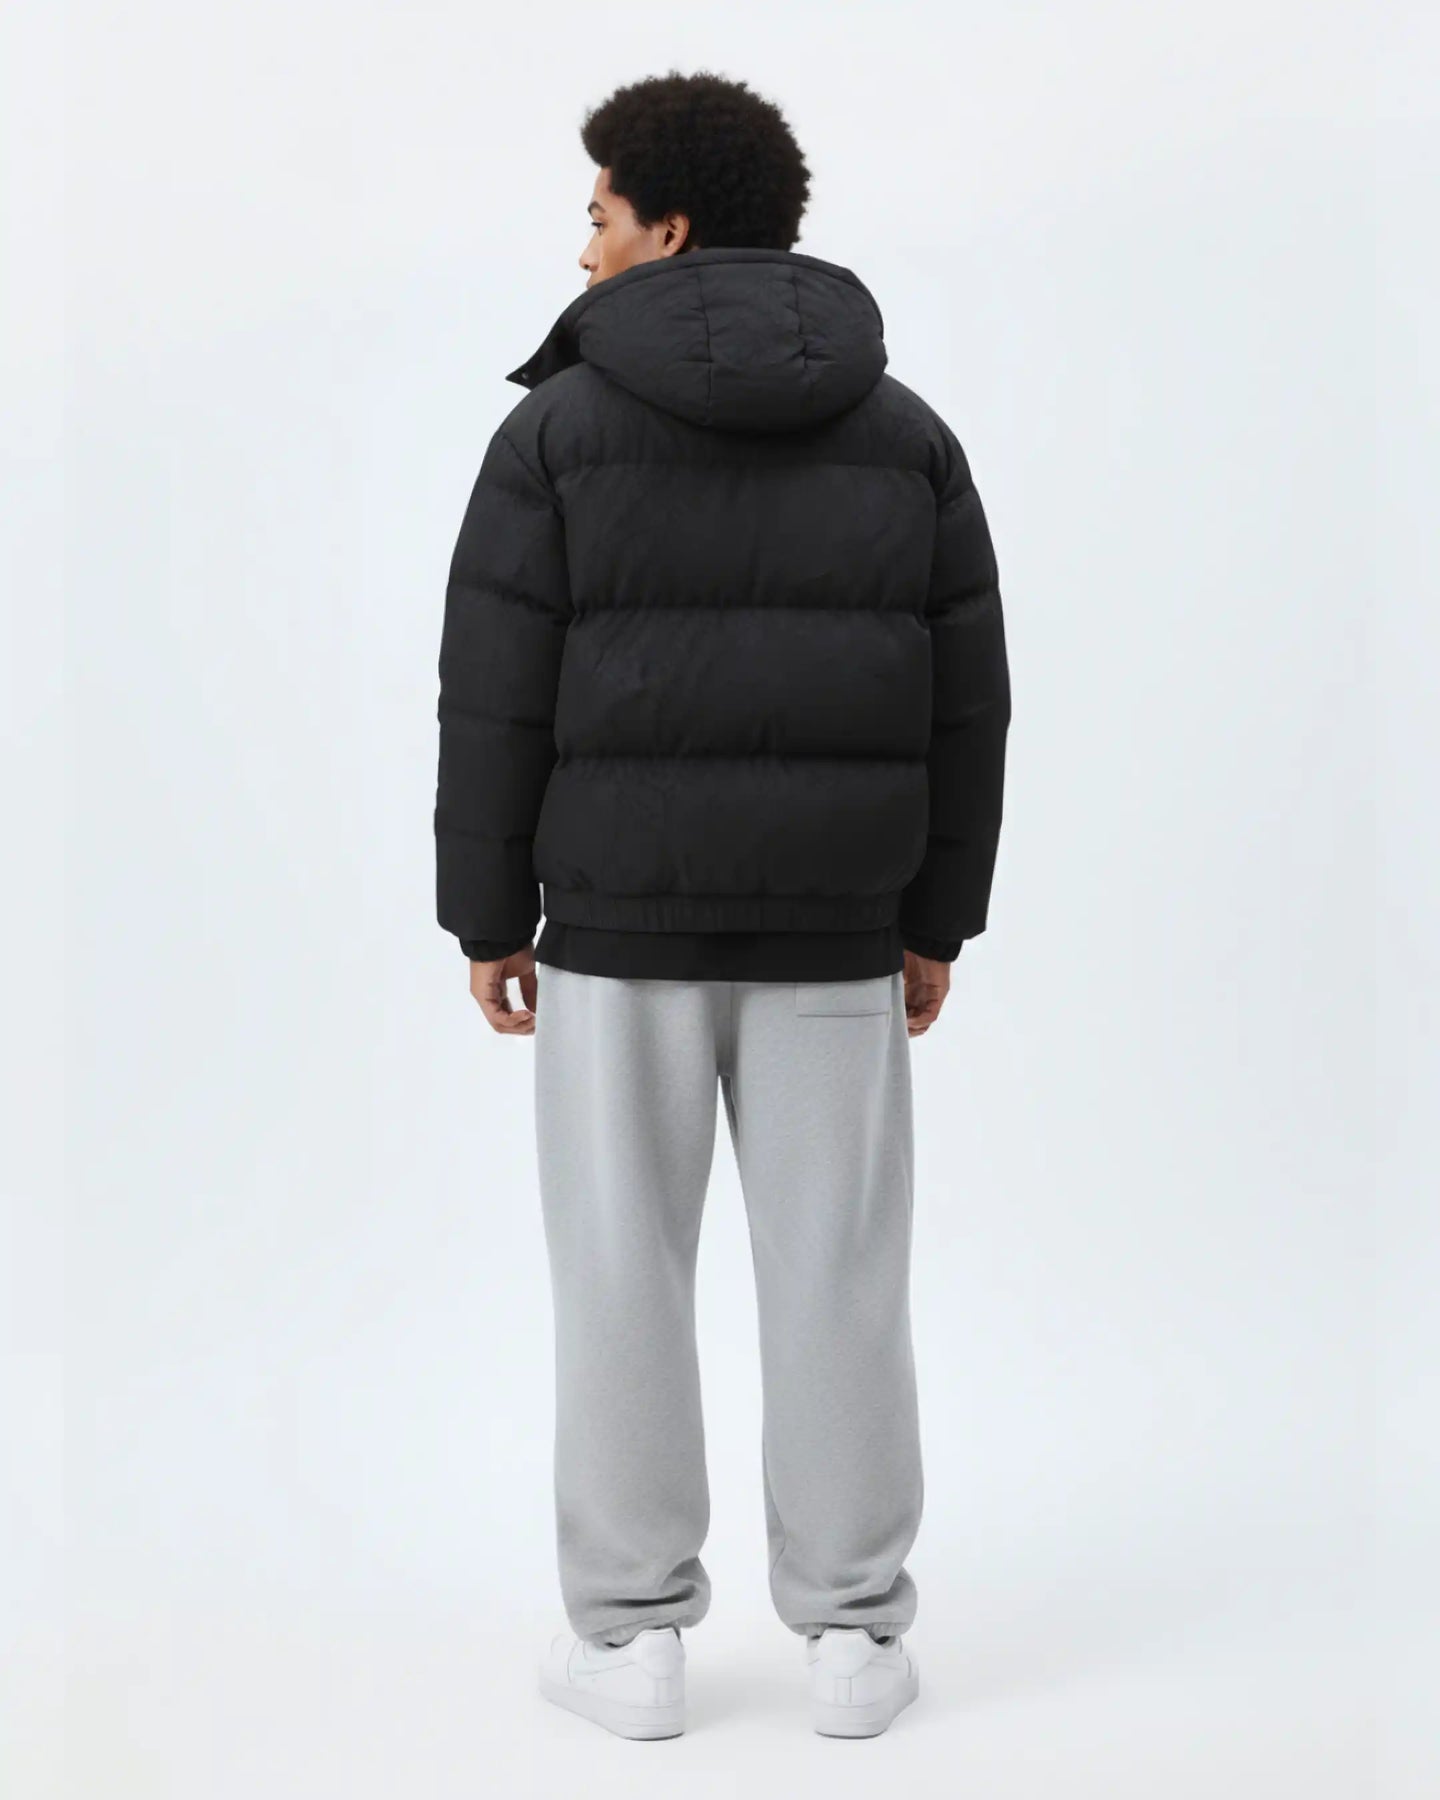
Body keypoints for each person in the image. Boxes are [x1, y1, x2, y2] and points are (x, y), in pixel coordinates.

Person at [434, 69, 1010, 1740]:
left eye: (601, 215)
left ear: (670, 227)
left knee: (620, 1272)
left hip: (621, 935)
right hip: (837, 935)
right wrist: (936, 921)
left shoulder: (554, 433)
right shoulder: (904, 433)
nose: (584, 248)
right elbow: (968, 703)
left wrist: (488, 918)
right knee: (841, 1276)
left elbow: (494, 696)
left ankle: (630, 1644)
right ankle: (854, 1637)